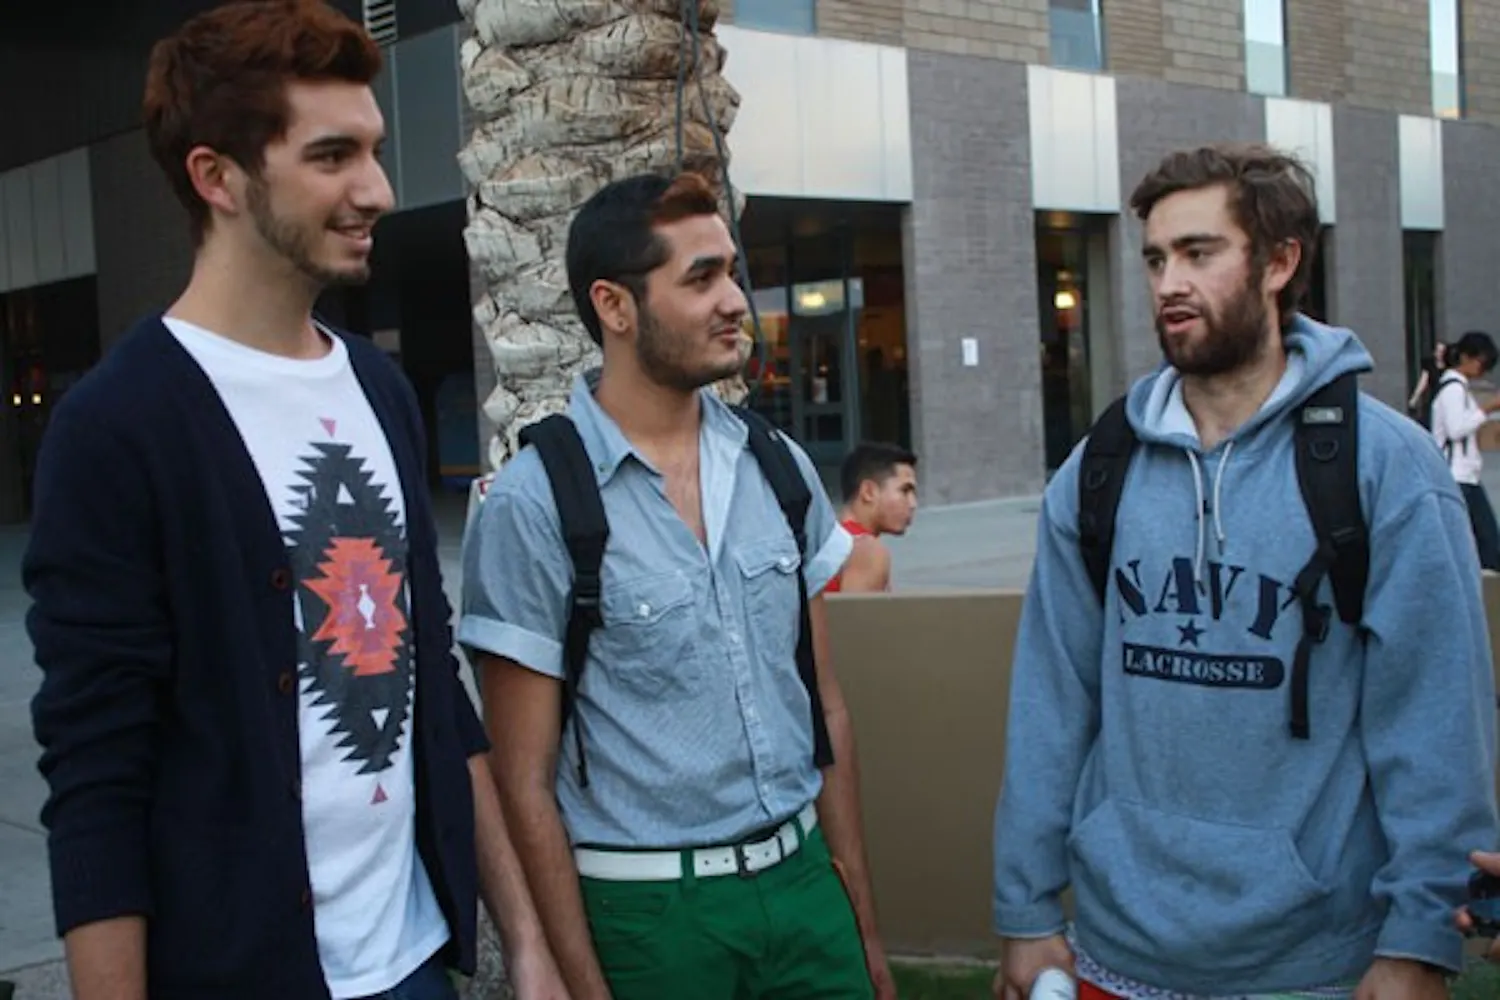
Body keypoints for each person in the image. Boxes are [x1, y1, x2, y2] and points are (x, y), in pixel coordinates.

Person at [22, 3, 565, 998]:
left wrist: (525, 942)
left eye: (375, 149)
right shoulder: (119, 426)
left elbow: (429, 685)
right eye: (332, 156)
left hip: (414, 962)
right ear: (215, 176)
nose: (379, 190)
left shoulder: (379, 389)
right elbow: (98, 772)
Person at [991, 143, 1498, 1000]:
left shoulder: (1385, 469)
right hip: (1118, 951)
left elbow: (1436, 722)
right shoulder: (1098, 468)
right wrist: (1026, 909)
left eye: (1199, 253)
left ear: (1279, 262)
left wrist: (1418, 939)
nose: (1167, 282)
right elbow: (1053, 700)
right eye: (1155, 258)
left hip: (1315, 965)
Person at [459, 171, 895, 1000]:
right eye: (700, 278)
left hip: (805, 888)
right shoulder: (534, 503)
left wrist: (863, 929)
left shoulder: (781, 468)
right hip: (651, 915)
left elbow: (824, 707)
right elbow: (524, 782)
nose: (735, 299)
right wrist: (584, 985)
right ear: (615, 308)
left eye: (732, 270)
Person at [1429, 330, 1500, 571]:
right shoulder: (1452, 390)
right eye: (1481, 362)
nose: (1482, 370)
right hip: (1456, 477)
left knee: (1480, 546)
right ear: (1466, 358)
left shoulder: (1456, 388)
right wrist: (1487, 408)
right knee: (1488, 545)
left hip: (1464, 476)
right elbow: (1456, 429)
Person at [826, 442, 919, 594]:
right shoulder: (867, 551)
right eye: (904, 491)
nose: (913, 503)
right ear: (868, 492)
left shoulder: (828, 539)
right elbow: (857, 617)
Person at [1407, 341, 1447, 425]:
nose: (1440, 354)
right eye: (1438, 351)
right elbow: (1423, 382)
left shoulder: (1449, 367)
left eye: (1442, 351)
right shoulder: (1430, 365)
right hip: (1434, 397)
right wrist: (1414, 398)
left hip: (1446, 397)